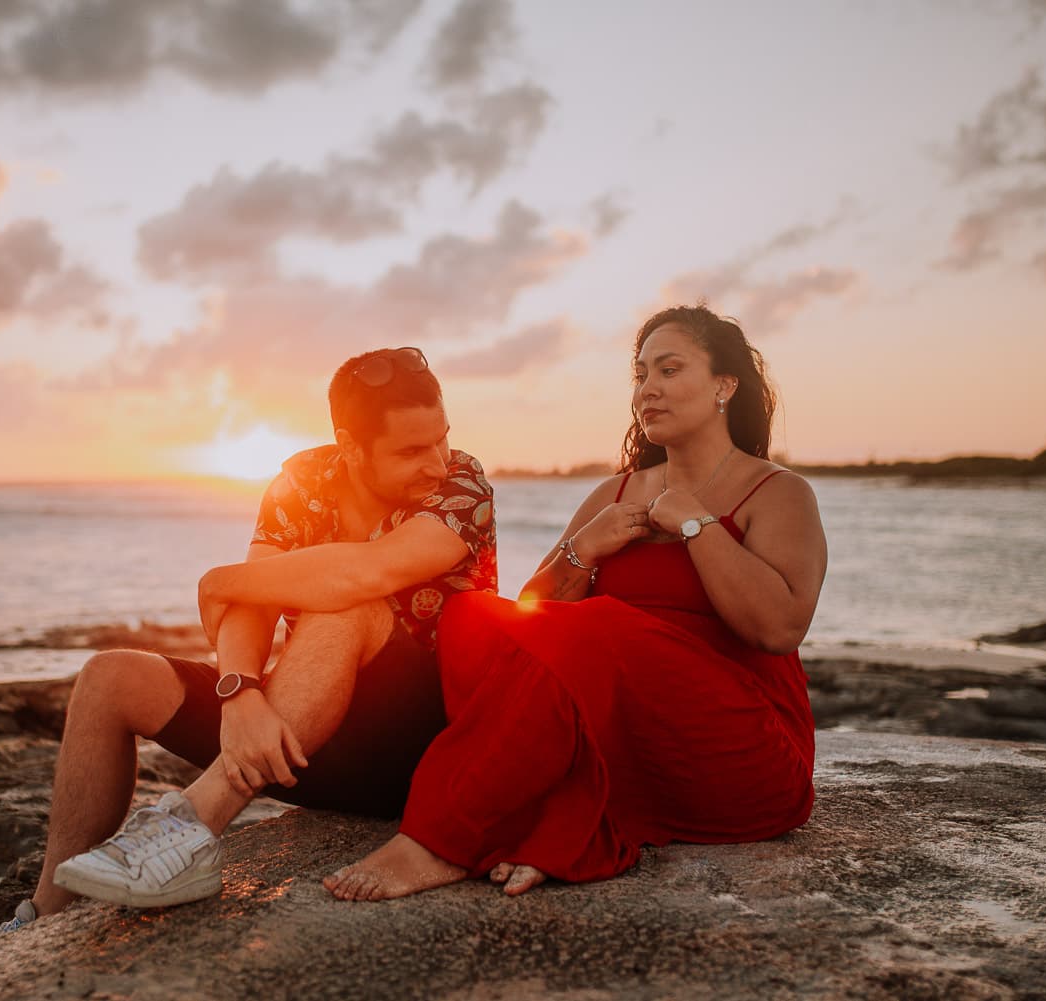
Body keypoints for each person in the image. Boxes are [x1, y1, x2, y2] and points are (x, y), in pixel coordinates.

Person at [0, 347, 496, 967]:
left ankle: (190, 827)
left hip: (423, 746)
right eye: (411, 450)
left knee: (349, 607)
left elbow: (365, 574)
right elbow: (253, 601)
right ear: (351, 446)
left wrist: (219, 582)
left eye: (440, 439)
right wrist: (239, 693)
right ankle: (40, 919)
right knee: (109, 677)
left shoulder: (462, 485)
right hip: (306, 736)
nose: (435, 462)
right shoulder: (302, 482)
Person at [324, 304, 827, 901]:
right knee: (471, 615)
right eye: (641, 375)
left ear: (725, 384)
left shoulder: (778, 493)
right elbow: (533, 619)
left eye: (669, 370)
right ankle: (552, 822)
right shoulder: (612, 494)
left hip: (741, 754)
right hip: (627, 745)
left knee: (603, 625)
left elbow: (779, 629)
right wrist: (586, 547)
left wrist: (697, 522)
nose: (649, 390)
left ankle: (441, 839)